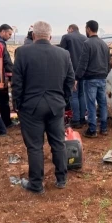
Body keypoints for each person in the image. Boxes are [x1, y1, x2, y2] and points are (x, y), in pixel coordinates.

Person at [12, 21, 75, 194]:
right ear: (50, 35)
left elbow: (17, 82)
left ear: (33, 36)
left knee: (34, 146)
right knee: (58, 143)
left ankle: (36, 184)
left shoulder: (22, 52)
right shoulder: (63, 54)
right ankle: (61, 179)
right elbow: (70, 80)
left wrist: (17, 104)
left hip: (31, 107)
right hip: (56, 105)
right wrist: (63, 98)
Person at [75, 20, 110, 138]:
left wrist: (77, 77)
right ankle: (104, 128)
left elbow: (83, 62)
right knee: (103, 103)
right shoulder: (104, 44)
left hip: (90, 79)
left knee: (90, 104)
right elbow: (108, 63)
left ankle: (92, 130)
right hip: (102, 78)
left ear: (88, 29)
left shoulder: (87, 43)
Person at [59, 24, 88, 128]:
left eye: (67, 29)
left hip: (71, 71)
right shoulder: (85, 38)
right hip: (83, 72)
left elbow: (61, 52)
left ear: (71, 29)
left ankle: (75, 120)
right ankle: (82, 118)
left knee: (73, 96)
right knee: (82, 95)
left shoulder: (66, 37)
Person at [0, 24, 14, 128]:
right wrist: (12, 75)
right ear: (3, 32)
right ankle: (6, 123)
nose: (10, 36)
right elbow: (6, 62)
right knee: (3, 101)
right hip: (0, 78)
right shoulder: (0, 44)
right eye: (9, 34)